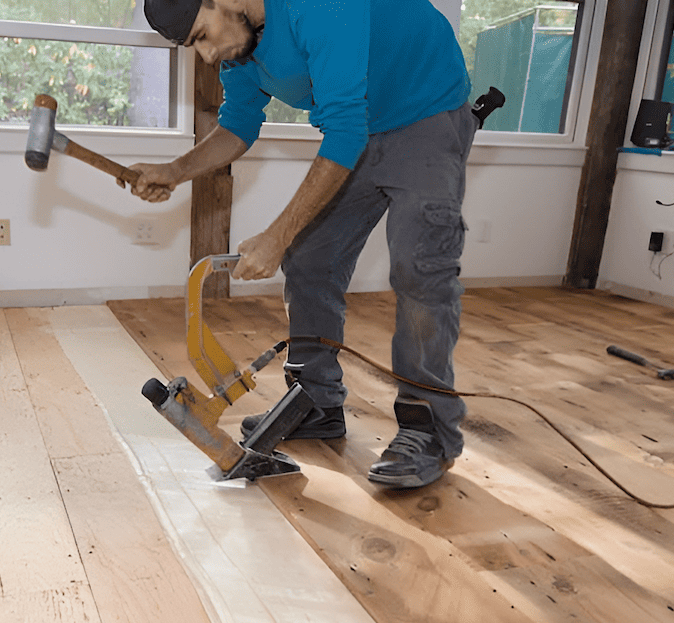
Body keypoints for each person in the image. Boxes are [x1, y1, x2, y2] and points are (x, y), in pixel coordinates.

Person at [131, 0, 479, 489]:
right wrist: (175, 171)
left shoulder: (317, 6)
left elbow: (343, 127)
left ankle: (430, 430)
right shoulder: (241, 46)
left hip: (425, 110)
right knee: (311, 258)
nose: (208, 56)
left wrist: (276, 233)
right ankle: (314, 401)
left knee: (420, 269)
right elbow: (238, 123)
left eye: (203, 36)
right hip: (357, 125)